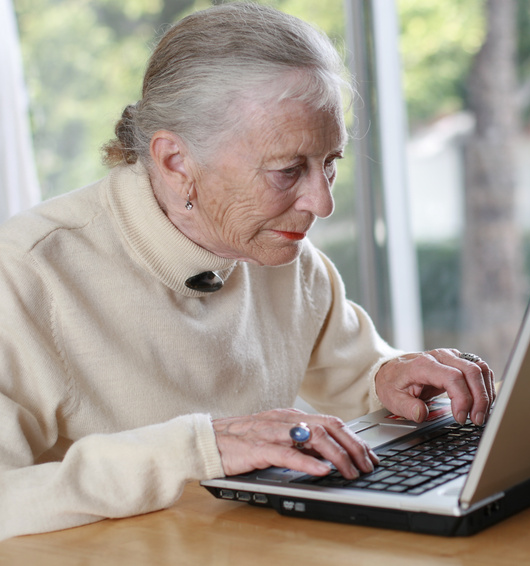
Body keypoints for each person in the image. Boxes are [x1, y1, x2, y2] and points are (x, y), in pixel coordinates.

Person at [0, 2, 493, 540]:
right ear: (174, 162)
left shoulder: (280, 253)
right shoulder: (23, 278)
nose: (322, 203)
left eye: (331, 163)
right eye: (288, 170)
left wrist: (393, 375)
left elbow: (356, 372)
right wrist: (199, 449)